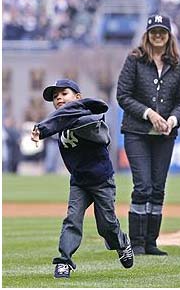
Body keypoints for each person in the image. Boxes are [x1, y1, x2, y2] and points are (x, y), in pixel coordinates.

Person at [31, 79, 134, 279]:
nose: (59, 97)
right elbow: (61, 121)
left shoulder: (90, 117)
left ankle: (122, 243)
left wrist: (46, 128)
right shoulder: (59, 122)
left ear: (78, 97)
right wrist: (48, 127)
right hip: (79, 181)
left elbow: (93, 127)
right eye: (55, 96)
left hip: (101, 180)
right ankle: (64, 262)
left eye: (64, 93)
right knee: (72, 220)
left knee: (107, 226)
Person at [116, 14, 180, 256]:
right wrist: (149, 114)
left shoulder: (179, 65)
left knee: (158, 187)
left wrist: (172, 119)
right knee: (143, 186)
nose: (158, 36)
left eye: (162, 32)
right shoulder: (135, 60)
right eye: (154, 31)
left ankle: (151, 242)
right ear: (147, 34)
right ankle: (136, 243)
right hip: (136, 132)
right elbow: (123, 96)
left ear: (169, 35)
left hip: (165, 135)